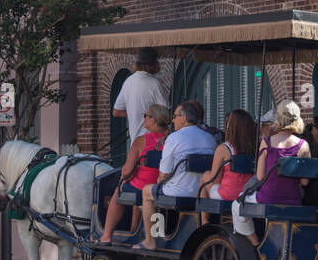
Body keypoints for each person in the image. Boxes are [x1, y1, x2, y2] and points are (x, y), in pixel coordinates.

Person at [135, 100, 216, 250]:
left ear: (184, 118)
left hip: (179, 191)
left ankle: (149, 240)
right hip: (201, 192)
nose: (172, 120)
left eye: (176, 116)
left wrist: (159, 183)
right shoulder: (209, 139)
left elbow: (164, 174)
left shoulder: (174, 138)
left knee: (147, 191)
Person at [99, 103, 170, 244]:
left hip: (142, 187)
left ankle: (106, 236)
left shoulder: (141, 141)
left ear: (152, 120)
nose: (143, 118)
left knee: (117, 192)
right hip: (165, 187)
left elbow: (126, 172)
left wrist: (124, 179)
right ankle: (137, 230)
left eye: (145, 115)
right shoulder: (171, 139)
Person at [197, 108, 257, 223]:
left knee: (206, 176)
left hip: (228, 196)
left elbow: (215, 180)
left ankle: (204, 221)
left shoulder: (224, 148)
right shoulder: (256, 148)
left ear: (231, 126)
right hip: (248, 196)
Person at [251, 101, 311, 206]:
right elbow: (304, 182)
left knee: (236, 205)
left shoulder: (266, 142)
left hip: (267, 198)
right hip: (293, 200)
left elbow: (260, 176)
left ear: (278, 118)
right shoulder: (303, 145)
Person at [112, 47, 165, 146]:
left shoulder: (128, 81)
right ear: (153, 63)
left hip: (135, 144)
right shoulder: (154, 83)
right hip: (153, 143)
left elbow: (116, 112)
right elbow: (166, 113)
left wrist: (134, 113)